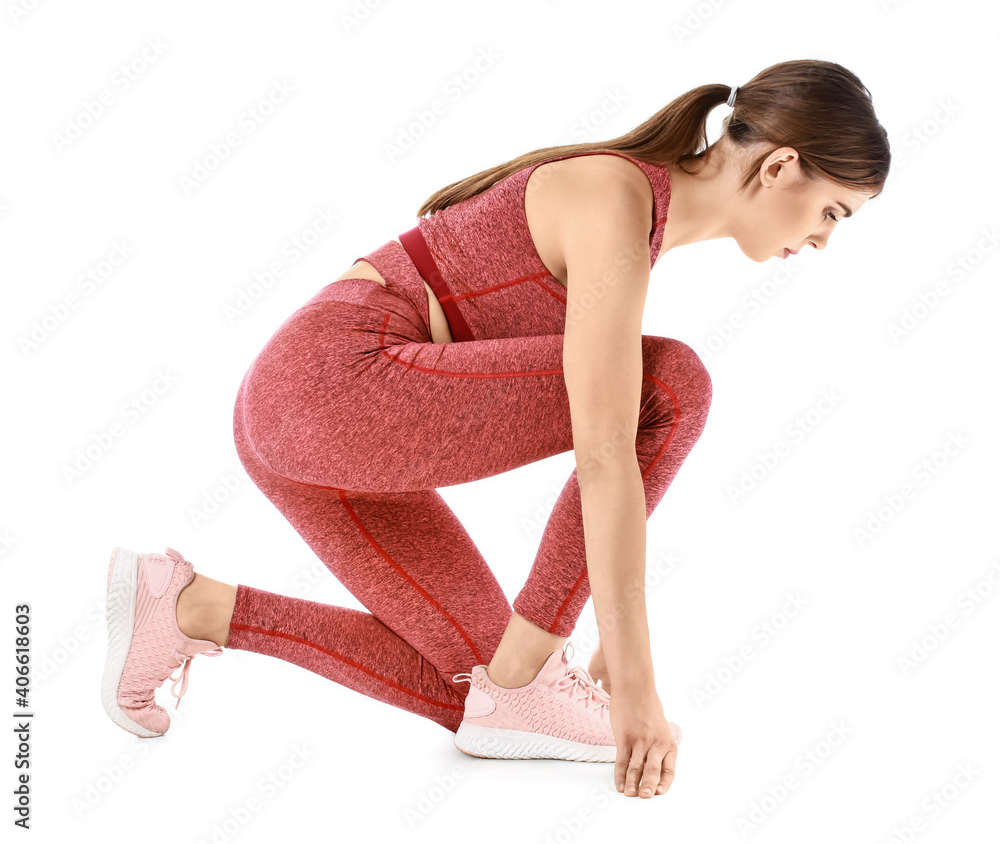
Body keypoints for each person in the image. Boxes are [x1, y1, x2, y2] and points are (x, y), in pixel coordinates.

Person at [101, 58, 890, 799]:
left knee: (490, 702)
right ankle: (524, 678)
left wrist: (593, 652)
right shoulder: (614, 197)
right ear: (779, 166)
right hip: (330, 387)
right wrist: (637, 682)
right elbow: (608, 449)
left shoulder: (639, 226)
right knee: (672, 386)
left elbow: (608, 455)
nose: (822, 238)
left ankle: (189, 607)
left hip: (310, 422)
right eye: (831, 211)